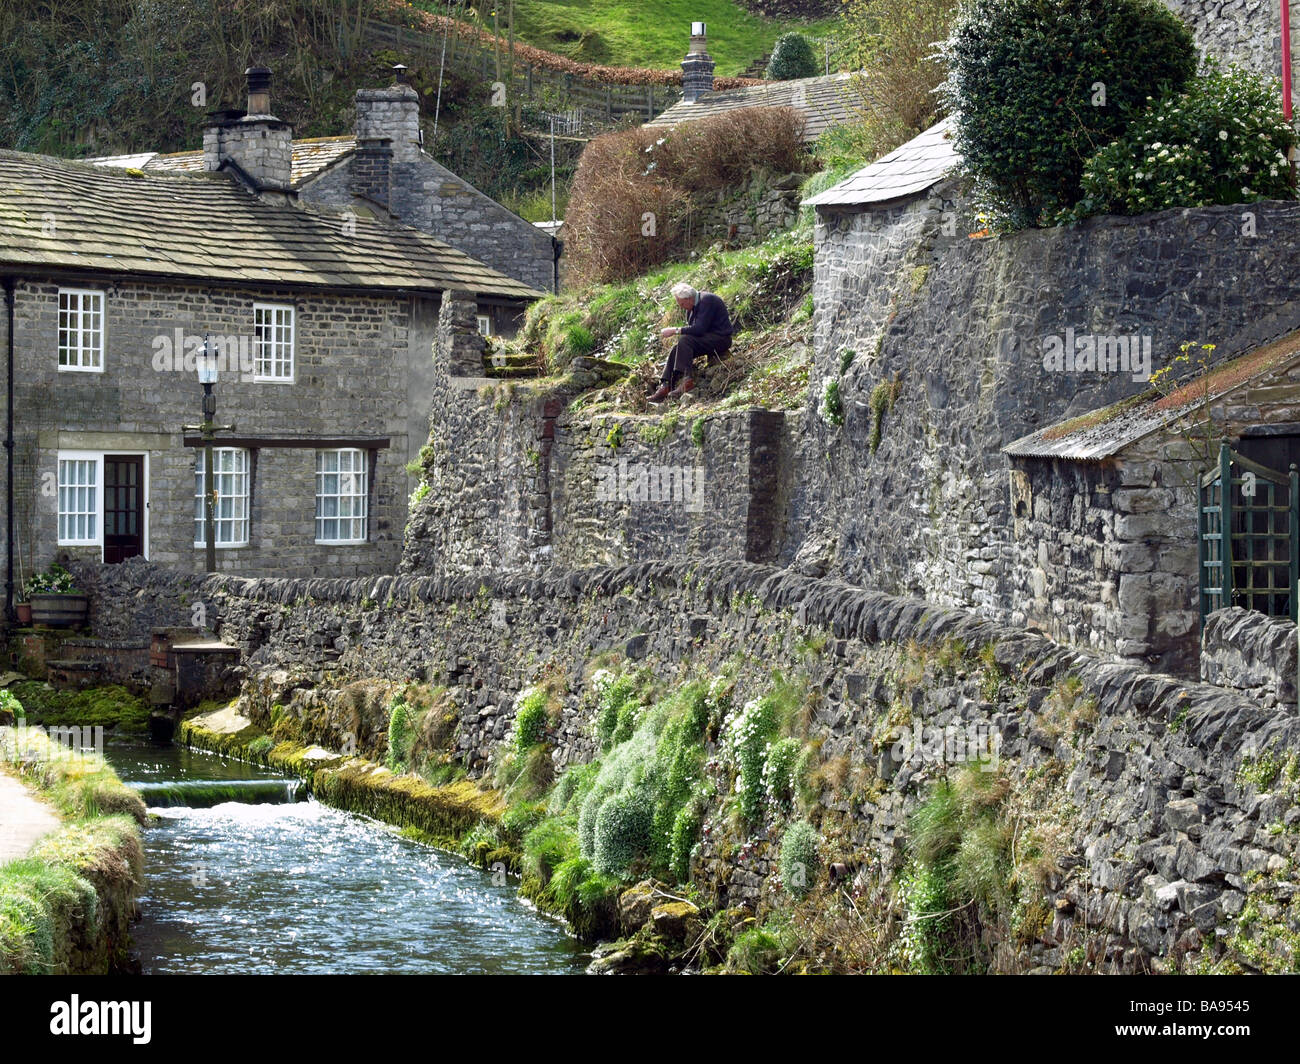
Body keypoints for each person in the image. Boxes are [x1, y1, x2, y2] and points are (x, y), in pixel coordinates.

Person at [648, 283, 733, 403]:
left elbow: (699, 329)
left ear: (689, 298)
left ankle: (686, 379)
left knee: (685, 340)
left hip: (721, 339)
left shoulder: (707, 300)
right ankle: (665, 385)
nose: (681, 307)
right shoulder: (691, 309)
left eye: (682, 304)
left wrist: (675, 330)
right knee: (677, 347)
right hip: (707, 339)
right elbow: (694, 331)